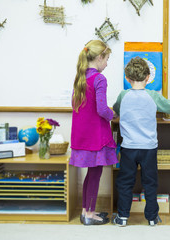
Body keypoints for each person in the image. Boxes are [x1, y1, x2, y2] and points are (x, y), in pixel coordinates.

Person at [112, 57, 170, 226]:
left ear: (127, 78)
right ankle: (152, 217)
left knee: (125, 182)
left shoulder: (123, 95)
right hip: (149, 148)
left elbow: (116, 109)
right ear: (148, 77)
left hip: (128, 148)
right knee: (150, 183)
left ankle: (123, 217)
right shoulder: (153, 95)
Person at [70, 40, 118, 225]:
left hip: (82, 135)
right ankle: (89, 215)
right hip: (96, 137)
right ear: (99, 57)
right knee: (95, 175)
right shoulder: (99, 78)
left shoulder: (80, 77)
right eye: (107, 59)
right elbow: (101, 109)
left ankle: (86, 211)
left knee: (90, 175)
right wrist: (112, 114)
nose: (107, 63)